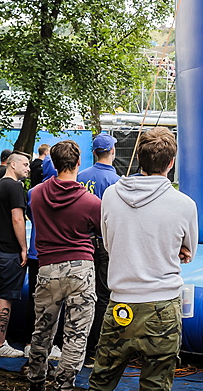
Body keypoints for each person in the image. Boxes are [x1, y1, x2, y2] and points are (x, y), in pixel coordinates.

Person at [88, 127, 198, 391]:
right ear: (171, 163)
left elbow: (108, 242)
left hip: (120, 303)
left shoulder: (111, 195)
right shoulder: (184, 204)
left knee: (101, 382)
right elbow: (189, 251)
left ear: (138, 158)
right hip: (162, 305)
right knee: (156, 384)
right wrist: (172, 249)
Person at [24, 140, 102, 391]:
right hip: (80, 269)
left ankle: (36, 380)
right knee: (76, 334)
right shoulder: (91, 202)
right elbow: (103, 232)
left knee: (42, 330)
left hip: (47, 268)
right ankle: (64, 384)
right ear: (79, 162)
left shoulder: (36, 194)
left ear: (54, 164)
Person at [76, 132, 120, 363]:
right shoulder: (116, 181)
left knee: (82, 294)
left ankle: (78, 346)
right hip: (103, 243)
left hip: (81, 242)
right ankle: (95, 348)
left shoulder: (81, 177)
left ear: (94, 152)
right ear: (112, 151)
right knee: (103, 295)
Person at [0, 150, 30, 357]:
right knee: (5, 297)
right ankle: (0, 344)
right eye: (25, 164)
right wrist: (23, 248)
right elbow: (17, 219)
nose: (28, 169)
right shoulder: (15, 187)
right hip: (8, 251)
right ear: (13, 164)